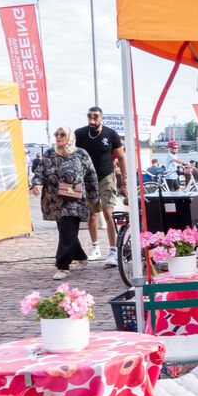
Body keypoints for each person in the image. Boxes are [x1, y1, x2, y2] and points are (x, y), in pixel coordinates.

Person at [31, 126, 99, 280]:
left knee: (67, 231)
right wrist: (37, 184)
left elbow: (91, 176)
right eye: (56, 134)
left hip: (75, 200)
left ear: (70, 137)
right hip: (55, 201)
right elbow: (40, 171)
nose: (59, 137)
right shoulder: (50, 154)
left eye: (62, 134)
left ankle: (62, 266)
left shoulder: (81, 154)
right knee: (66, 233)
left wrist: (94, 197)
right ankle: (81, 257)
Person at [74, 106, 126, 267]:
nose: (92, 120)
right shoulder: (80, 134)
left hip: (106, 176)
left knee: (108, 212)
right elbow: (74, 155)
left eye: (95, 117)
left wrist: (124, 182)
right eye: (89, 116)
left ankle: (113, 251)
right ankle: (95, 248)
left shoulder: (111, 134)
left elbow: (121, 157)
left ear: (102, 118)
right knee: (92, 214)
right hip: (88, 178)